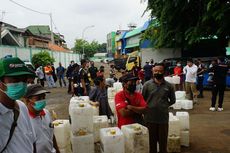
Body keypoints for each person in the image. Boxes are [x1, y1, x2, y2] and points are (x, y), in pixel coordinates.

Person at [0, 57, 36, 153]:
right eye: (15, 79)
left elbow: (32, 139)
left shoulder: (22, 107)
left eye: (24, 80)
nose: (21, 84)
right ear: (1, 83)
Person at [142, 63, 176, 153]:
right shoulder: (147, 85)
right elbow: (143, 99)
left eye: (160, 71)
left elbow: (173, 100)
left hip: (163, 118)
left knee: (163, 142)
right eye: (155, 71)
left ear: (164, 72)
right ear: (152, 72)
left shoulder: (169, 86)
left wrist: (163, 106)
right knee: (151, 141)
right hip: (150, 118)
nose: (158, 72)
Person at [23, 84, 60, 153]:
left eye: (43, 97)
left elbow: (51, 134)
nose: (42, 100)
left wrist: (57, 150)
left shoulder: (46, 113)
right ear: (28, 101)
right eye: (38, 98)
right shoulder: (25, 119)